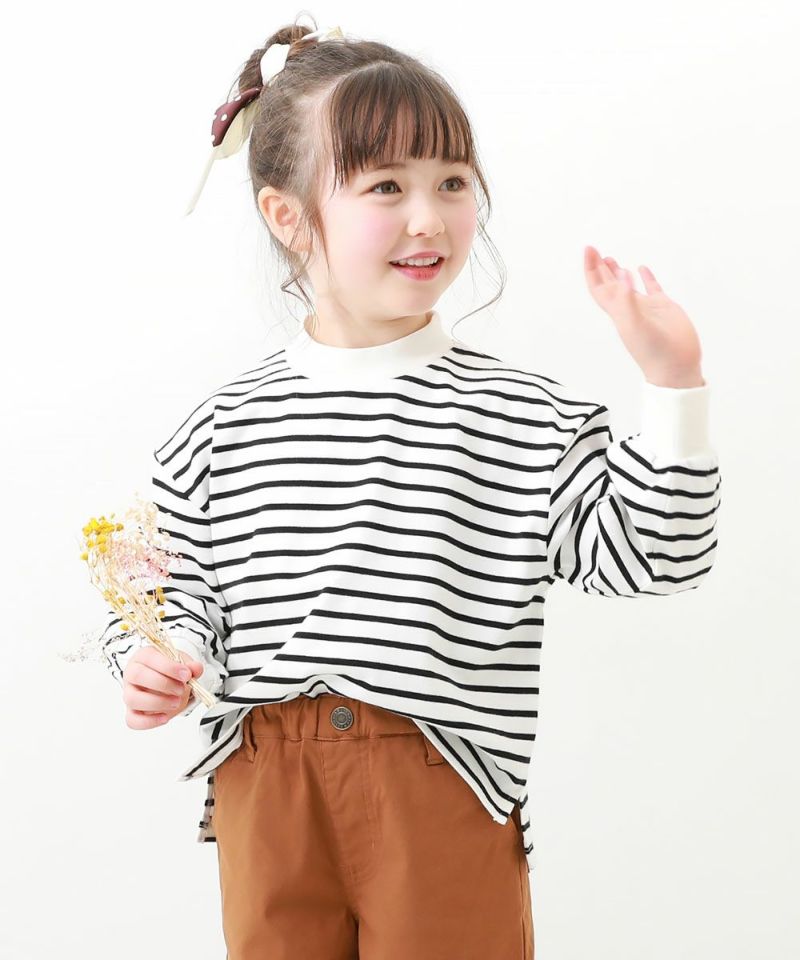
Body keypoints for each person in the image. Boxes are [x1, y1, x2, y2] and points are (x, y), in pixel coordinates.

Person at [98, 15, 722, 960]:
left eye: (453, 183)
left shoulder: (522, 416)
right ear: (288, 217)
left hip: (441, 780)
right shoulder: (219, 427)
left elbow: (656, 557)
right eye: (386, 186)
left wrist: (673, 383)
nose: (428, 217)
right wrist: (157, 657)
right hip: (264, 784)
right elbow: (171, 588)